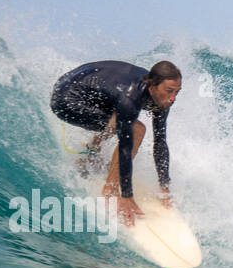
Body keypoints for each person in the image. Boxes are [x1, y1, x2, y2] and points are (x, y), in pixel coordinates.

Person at [49, 60, 181, 226]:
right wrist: (127, 196)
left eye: (177, 92)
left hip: (90, 89)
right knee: (136, 129)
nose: (173, 98)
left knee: (122, 119)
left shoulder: (163, 98)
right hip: (67, 99)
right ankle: (110, 190)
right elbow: (126, 146)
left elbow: (160, 142)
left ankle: (90, 155)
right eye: (169, 91)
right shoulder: (130, 96)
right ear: (153, 85)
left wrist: (164, 187)